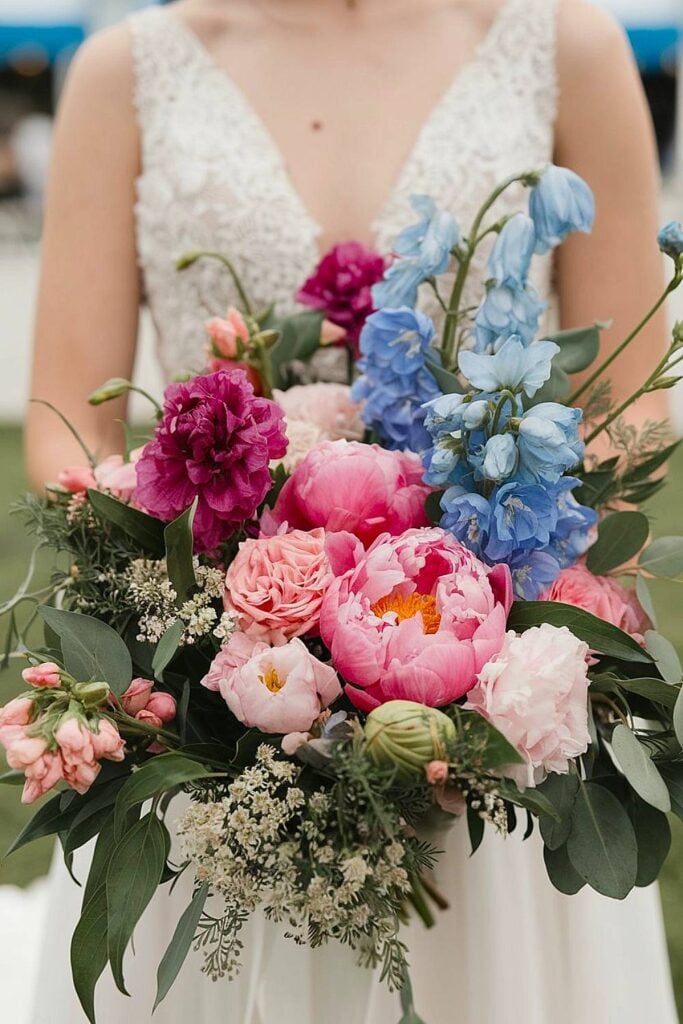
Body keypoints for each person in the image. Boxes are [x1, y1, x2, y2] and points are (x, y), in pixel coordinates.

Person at [25, 1, 678, 1022]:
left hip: (484, 724)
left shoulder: (564, 47)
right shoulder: (125, 73)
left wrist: (483, 641)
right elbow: (66, 419)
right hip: (228, 712)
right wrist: (206, 612)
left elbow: (629, 401)